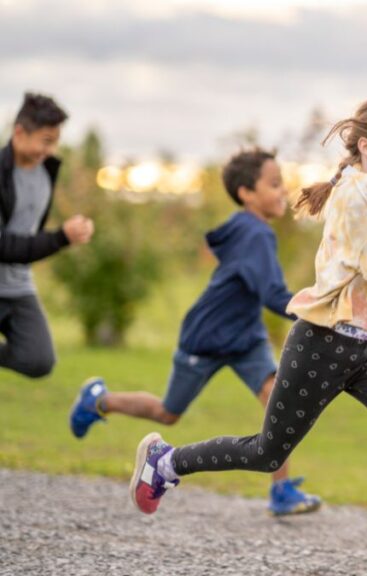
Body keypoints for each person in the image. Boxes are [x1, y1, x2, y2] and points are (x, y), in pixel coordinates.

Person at [127, 96, 367, 576]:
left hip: (366, 349)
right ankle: (165, 463)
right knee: (267, 452)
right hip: (321, 343)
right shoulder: (356, 192)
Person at [69, 148, 321, 515]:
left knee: (275, 398)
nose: (283, 191)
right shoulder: (255, 233)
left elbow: (261, 290)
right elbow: (272, 294)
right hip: (207, 337)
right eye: (274, 184)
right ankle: (98, 399)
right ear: (247, 193)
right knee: (167, 413)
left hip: (246, 338)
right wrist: (317, 313)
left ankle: (281, 490)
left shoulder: (252, 230)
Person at [1, 92, 93, 378]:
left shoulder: (46, 173)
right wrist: (61, 238)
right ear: (19, 133)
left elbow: (30, 231)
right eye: (46, 140)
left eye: (55, 141)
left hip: (18, 287)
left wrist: (71, 233)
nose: (51, 149)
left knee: (39, 360)